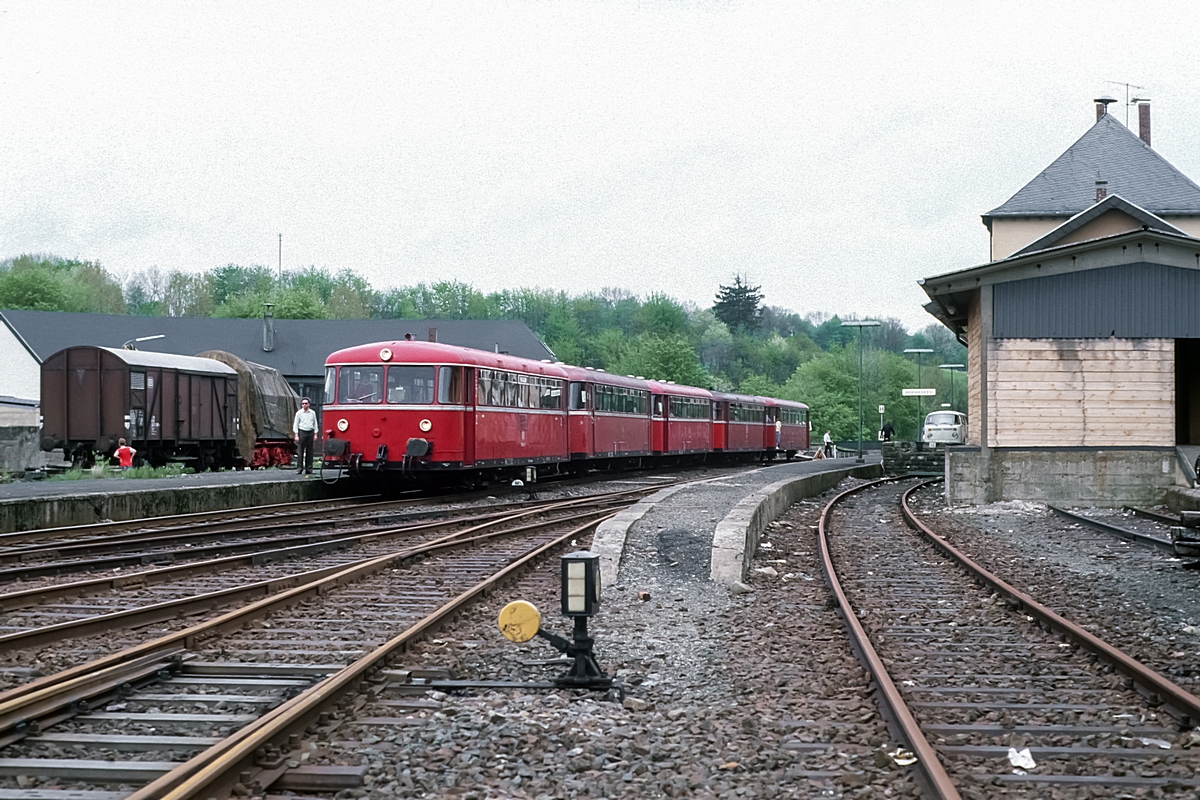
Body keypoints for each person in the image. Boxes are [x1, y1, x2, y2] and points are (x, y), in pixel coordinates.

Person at [293, 397, 317, 475]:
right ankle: (299, 468)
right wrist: (296, 435)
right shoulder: (299, 413)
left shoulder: (312, 413)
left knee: (310, 451)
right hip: (302, 432)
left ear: (309, 404)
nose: (304, 405)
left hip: (310, 432)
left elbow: (315, 423)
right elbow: (296, 424)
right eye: (303, 404)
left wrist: (315, 434)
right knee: (300, 451)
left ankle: (309, 468)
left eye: (306, 403)